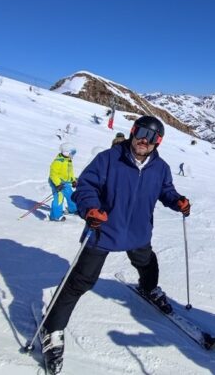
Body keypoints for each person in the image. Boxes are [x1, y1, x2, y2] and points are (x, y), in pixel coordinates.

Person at [39, 116, 191, 374]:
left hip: (138, 232)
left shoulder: (160, 168)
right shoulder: (108, 159)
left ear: (158, 142)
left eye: (152, 136)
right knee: (80, 281)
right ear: (133, 131)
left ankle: (149, 288)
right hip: (103, 230)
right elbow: (85, 187)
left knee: (146, 263)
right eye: (141, 132)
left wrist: (176, 201)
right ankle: (52, 327)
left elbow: (165, 190)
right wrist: (90, 209)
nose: (145, 139)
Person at [48, 143, 78, 222]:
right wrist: (57, 184)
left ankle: (73, 209)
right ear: (66, 152)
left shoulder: (68, 160)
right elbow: (53, 174)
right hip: (57, 183)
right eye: (72, 153)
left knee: (71, 195)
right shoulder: (58, 161)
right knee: (59, 198)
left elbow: (70, 172)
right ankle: (55, 216)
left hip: (66, 182)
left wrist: (73, 180)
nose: (73, 155)